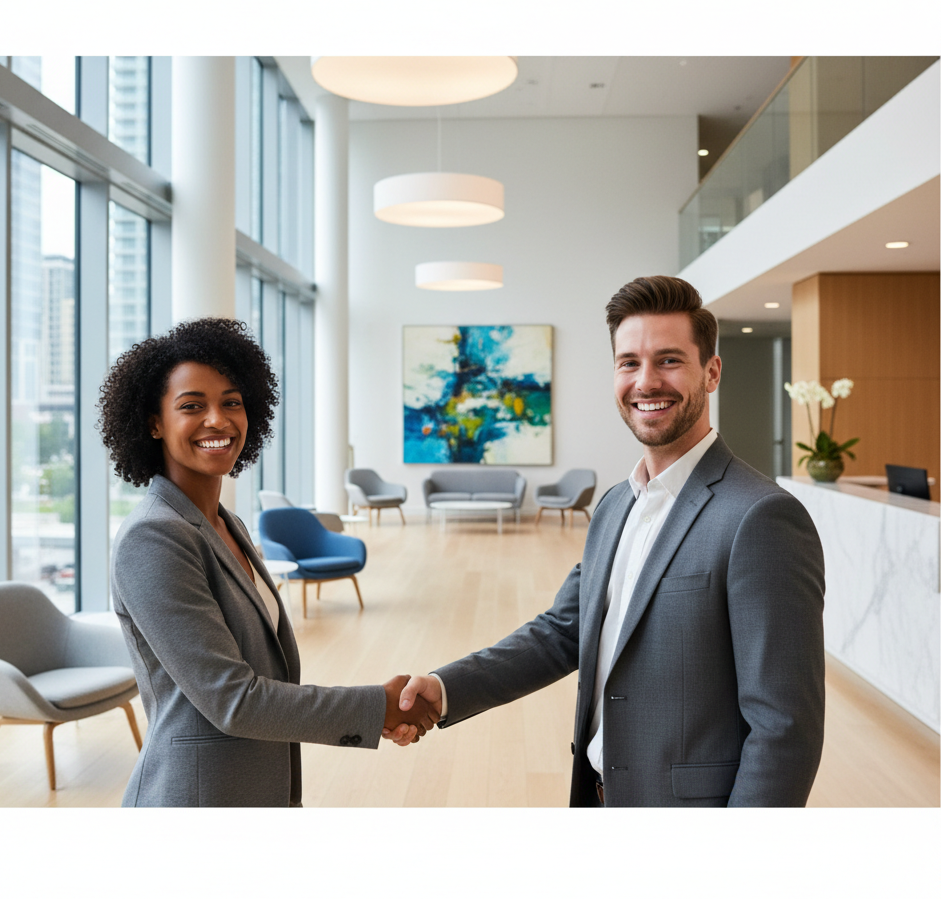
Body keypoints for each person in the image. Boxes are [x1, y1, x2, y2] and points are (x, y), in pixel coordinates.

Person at [387, 276, 826, 807]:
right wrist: (443, 687)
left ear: (711, 373)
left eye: (669, 360)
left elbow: (784, 729)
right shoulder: (617, 503)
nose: (646, 381)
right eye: (629, 362)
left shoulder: (761, 517)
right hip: (597, 796)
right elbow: (563, 632)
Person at [99, 317, 436, 807]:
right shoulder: (153, 537)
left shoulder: (223, 522)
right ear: (154, 422)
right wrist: (375, 707)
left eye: (231, 402)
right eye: (192, 406)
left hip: (258, 787)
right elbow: (233, 699)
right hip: (199, 797)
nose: (218, 419)